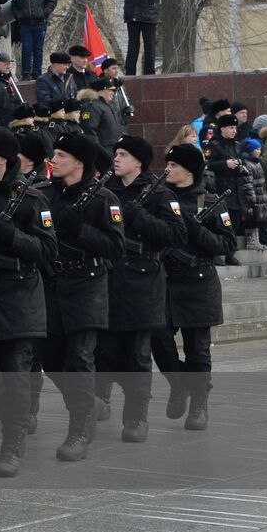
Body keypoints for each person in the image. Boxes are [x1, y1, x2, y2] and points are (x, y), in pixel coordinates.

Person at [0, 127, 55, 477]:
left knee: (16, 373)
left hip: (19, 295)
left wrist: (14, 237)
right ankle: (4, 415)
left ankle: (13, 441)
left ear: (4, 159)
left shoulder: (32, 198)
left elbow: (48, 251)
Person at [97, 134, 185, 441]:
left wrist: (139, 216)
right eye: (115, 153)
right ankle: (101, 398)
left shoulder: (160, 194)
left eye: (123, 154)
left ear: (138, 161)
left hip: (143, 279)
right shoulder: (105, 190)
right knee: (105, 349)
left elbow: (175, 235)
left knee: (137, 353)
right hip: (109, 278)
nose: (116, 159)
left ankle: (136, 417)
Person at [45, 132, 124, 461]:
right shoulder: (46, 195)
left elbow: (116, 248)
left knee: (79, 357)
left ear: (79, 162)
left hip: (87, 283)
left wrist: (81, 229)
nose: (55, 159)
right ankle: (86, 401)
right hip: (53, 283)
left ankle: (79, 427)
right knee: (48, 355)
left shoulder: (103, 199)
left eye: (61, 155)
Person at [153, 143, 234, 430]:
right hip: (164, 282)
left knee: (198, 350)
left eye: (173, 165)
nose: (168, 169)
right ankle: (179, 384)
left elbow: (227, 244)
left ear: (188, 170)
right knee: (158, 340)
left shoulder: (210, 201)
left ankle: (199, 403)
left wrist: (195, 228)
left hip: (199, 284)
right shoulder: (159, 199)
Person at [112, 0, 168, 75]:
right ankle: (130, 71)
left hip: (149, 16)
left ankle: (149, 72)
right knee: (132, 46)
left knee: (149, 46)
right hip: (132, 16)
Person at [10, 0, 57, 80]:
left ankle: (37, 73)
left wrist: (44, 12)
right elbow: (14, 5)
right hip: (25, 25)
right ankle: (26, 73)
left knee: (38, 49)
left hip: (40, 23)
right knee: (26, 48)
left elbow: (52, 0)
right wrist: (19, 15)